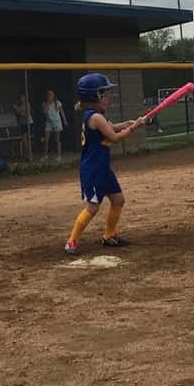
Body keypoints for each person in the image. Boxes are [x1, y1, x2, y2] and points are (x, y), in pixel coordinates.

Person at [64, 74, 145, 255]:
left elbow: (112, 127)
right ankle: (72, 241)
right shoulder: (96, 118)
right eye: (103, 93)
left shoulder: (96, 116)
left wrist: (128, 123)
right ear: (93, 97)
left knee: (118, 200)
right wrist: (133, 128)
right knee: (92, 208)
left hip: (102, 168)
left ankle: (109, 236)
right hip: (92, 170)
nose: (107, 97)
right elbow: (114, 137)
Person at [41, 89, 69, 163]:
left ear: (53, 96)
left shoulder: (57, 103)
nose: (50, 96)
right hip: (48, 123)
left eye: (51, 94)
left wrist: (65, 120)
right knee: (46, 140)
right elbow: (45, 113)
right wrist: (47, 105)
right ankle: (45, 156)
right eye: (48, 94)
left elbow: (62, 112)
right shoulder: (44, 104)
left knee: (57, 140)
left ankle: (59, 156)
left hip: (57, 122)